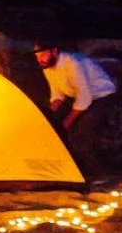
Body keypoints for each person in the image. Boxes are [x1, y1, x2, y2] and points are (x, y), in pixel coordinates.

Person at [33, 40, 117, 168]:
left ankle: (93, 169)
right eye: (37, 56)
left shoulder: (73, 63)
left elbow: (85, 96)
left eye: (43, 55)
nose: (40, 60)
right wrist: (48, 116)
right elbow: (57, 94)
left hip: (101, 96)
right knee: (53, 124)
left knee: (79, 132)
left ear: (54, 52)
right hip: (77, 96)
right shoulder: (48, 66)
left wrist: (66, 124)